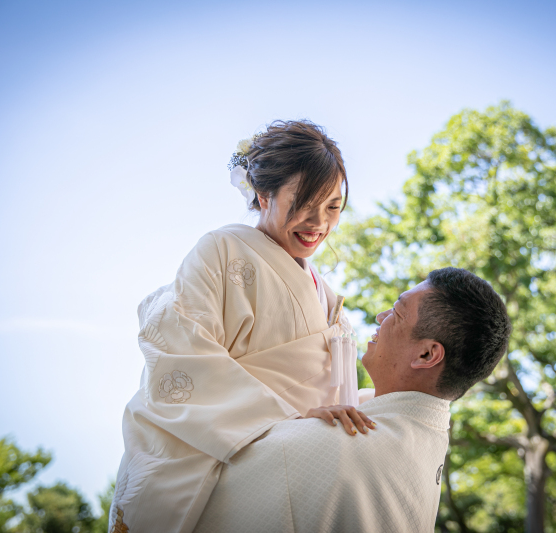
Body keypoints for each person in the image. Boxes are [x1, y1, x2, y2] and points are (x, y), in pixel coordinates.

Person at [109, 121, 368, 533]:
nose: (319, 222)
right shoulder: (222, 250)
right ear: (264, 194)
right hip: (232, 452)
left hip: (309, 466)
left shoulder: (328, 296)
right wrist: (288, 417)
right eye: (304, 202)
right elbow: (183, 348)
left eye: (334, 206)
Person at [195, 267, 513, 533]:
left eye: (397, 314)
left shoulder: (341, 443)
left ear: (427, 354)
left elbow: (206, 482)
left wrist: (291, 427)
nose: (381, 316)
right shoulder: (423, 440)